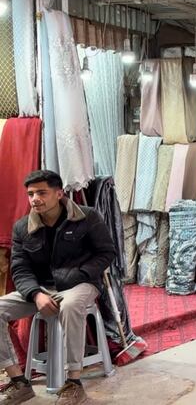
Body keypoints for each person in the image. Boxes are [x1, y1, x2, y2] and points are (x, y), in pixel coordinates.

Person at [0, 170, 115, 405]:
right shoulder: (23, 227)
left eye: (42, 192)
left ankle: (73, 383)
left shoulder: (87, 217)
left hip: (80, 284)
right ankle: (18, 382)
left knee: (71, 305)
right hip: (40, 288)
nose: (35, 199)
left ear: (59, 193)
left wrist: (81, 274)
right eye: (31, 194)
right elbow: (20, 269)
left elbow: (107, 252)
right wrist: (36, 293)